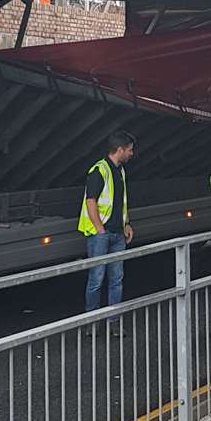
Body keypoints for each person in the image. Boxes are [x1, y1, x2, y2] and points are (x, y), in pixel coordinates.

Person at [79, 130, 134, 311]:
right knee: (96, 279)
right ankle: (92, 322)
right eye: (129, 150)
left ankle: (114, 321)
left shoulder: (121, 171)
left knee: (116, 280)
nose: (131, 154)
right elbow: (90, 201)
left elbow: (121, 202)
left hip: (118, 233)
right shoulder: (99, 171)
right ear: (120, 150)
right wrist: (100, 229)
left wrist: (126, 224)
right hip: (100, 235)